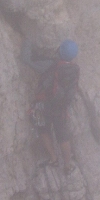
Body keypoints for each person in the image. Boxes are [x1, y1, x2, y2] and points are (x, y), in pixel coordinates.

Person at [21, 37, 80, 174]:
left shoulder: (50, 65)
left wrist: (28, 40)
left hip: (45, 104)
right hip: (62, 107)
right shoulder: (73, 69)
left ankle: (53, 158)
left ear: (60, 50)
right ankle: (67, 164)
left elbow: (26, 59)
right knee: (63, 136)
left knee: (42, 128)